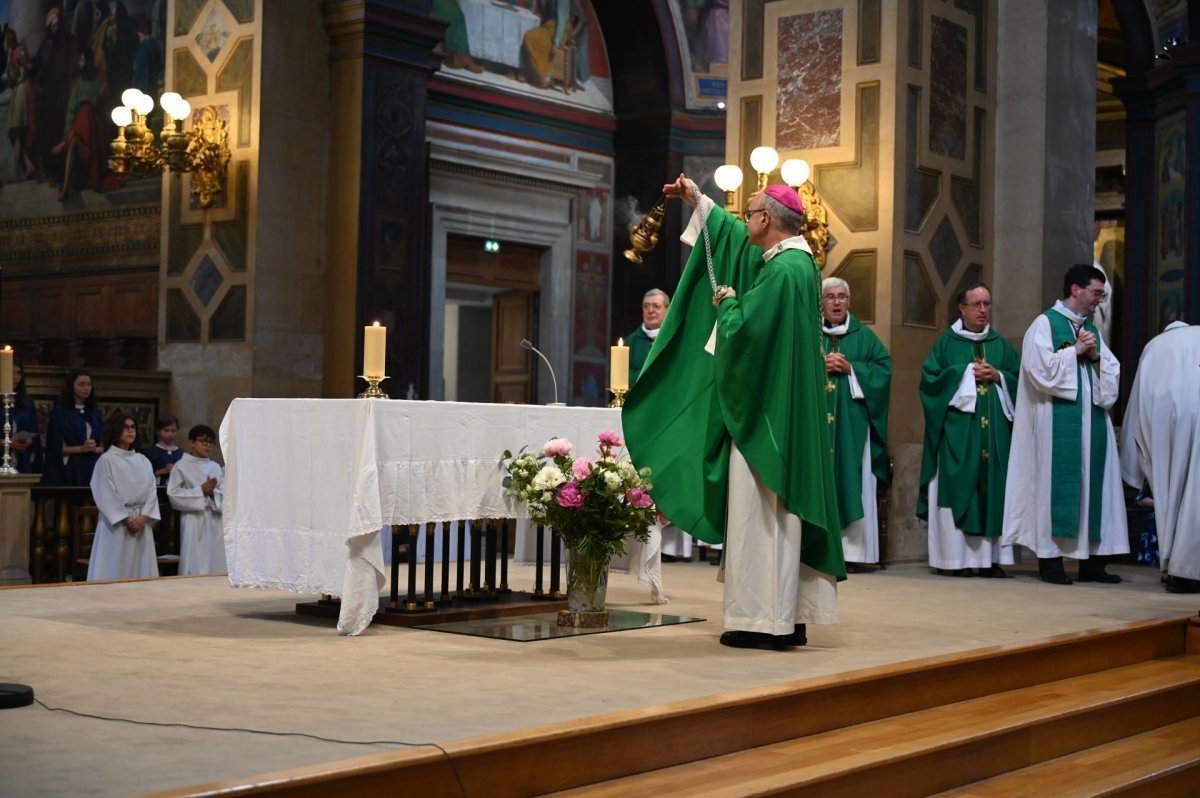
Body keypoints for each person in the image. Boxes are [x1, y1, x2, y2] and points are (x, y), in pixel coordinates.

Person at [623, 174, 842, 651]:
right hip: (787, 410)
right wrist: (699, 201)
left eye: (749, 213)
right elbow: (737, 246)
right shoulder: (794, 263)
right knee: (782, 517)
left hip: (768, 416)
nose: (744, 221)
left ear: (766, 219)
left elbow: (744, 335)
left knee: (762, 514)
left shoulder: (784, 272)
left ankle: (763, 621)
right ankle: (788, 614)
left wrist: (726, 302)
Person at [1002, 264, 1129, 584]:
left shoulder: (1092, 330)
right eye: (1096, 292)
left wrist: (1095, 356)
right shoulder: (1044, 325)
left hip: (1093, 428)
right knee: (1051, 488)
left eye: (1102, 294)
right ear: (1075, 289)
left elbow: (1110, 376)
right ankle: (1051, 562)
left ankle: (1092, 564)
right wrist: (1075, 351)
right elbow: (1038, 370)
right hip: (1054, 427)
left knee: (1092, 489)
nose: (1099, 299)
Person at [918, 283, 1020, 576]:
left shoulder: (1000, 345)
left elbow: (1021, 380)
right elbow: (929, 382)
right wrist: (964, 373)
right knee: (959, 488)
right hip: (957, 436)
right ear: (961, 308)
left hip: (995, 436)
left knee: (993, 492)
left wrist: (999, 376)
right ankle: (956, 560)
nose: (983, 310)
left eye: (987, 304)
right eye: (976, 304)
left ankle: (990, 561)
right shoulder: (945, 344)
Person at [1119, 321, 1200, 593]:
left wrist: (1134, 460)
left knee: (1169, 492)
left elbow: (1138, 401)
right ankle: (1188, 569)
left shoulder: (1155, 345)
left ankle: (1171, 566)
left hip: (1165, 419)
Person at [820, 277, 891, 569]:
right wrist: (818, 366)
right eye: (830, 297)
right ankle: (820, 550)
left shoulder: (865, 338)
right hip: (817, 430)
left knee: (853, 478)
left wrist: (852, 369)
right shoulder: (809, 333)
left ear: (849, 302)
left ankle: (853, 554)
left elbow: (884, 371)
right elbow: (790, 368)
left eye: (841, 297)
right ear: (821, 303)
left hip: (854, 429)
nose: (836, 302)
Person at [87, 412, 160, 580]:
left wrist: (144, 517)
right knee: (114, 567)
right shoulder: (107, 460)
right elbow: (105, 492)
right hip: (118, 524)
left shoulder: (143, 460)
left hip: (141, 522)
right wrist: (125, 518)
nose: (130, 431)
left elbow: (152, 490)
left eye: (133, 427)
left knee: (141, 569)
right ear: (115, 430)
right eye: (125, 427)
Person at [168, 424, 226, 575]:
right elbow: (173, 494)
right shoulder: (181, 466)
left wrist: (213, 494)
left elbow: (226, 495)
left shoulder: (215, 467)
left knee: (215, 561)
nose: (207, 445)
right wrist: (200, 491)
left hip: (214, 519)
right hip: (193, 518)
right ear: (191, 442)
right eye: (203, 441)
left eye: (210, 442)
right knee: (193, 562)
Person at [44, 370, 105, 486]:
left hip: (93, 464)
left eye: (89, 384)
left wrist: (95, 448)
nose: (86, 388)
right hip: (71, 467)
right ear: (71, 387)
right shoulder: (60, 412)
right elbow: (55, 447)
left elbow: (103, 444)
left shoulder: (94, 412)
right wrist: (81, 449)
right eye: (81, 385)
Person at [627, 289, 669, 385]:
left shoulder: (675, 338)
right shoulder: (632, 341)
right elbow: (622, 379)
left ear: (667, 310)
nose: (650, 310)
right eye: (646, 306)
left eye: (656, 306)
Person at [10, 360, 43, 474]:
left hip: (21, 461)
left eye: (19, 373)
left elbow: (34, 434)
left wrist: (27, 441)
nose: (15, 377)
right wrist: (8, 443)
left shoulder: (27, 402)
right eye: (11, 372)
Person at [142, 414, 182, 486]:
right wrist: (161, 471)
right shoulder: (150, 451)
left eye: (173, 431)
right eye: (166, 431)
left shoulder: (182, 454)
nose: (170, 434)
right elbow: (142, 475)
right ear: (158, 431)